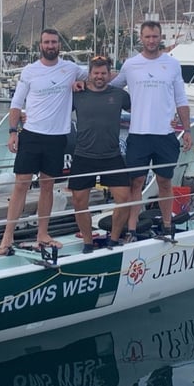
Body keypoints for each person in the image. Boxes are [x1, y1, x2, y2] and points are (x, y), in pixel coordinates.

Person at [0, 28, 85, 257]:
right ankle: (7, 237)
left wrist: (81, 84)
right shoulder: (30, 71)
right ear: (40, 45)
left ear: (59, 45)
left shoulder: (71, 69)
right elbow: (16, 103)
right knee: (20, 185)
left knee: (47, 186)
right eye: (46, 42)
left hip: (57, 138)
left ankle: (43, 234)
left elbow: (98, 75)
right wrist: (12, 132)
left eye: (54, 42)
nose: (50, 46)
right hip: (32, 135)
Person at [110, 21, 192, 239]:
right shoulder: (130, 65)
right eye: (147, 37)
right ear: (141, 38)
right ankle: (132, 228)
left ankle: (167, 224)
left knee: (164, 182)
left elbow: (181, 99)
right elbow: (112, 87)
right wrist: (85, 85)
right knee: (136, 182)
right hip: (138, 135)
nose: (151, 40)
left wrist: (187, 130)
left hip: (164, 135)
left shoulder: (172, 64)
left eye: (155, 36)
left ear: (160, 37)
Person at [70, 55, 132, 253]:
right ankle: (88, 243)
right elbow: (54, 108)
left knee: (125, 199)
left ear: (110, 74)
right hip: (83, 155)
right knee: (79, 202)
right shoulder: (77, 94)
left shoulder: (120, 95)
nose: (99, 76)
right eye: (96, 73)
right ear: (89, 74)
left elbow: (141, 108)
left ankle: (113, 240)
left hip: (111, 155)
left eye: (103, 73)